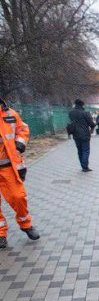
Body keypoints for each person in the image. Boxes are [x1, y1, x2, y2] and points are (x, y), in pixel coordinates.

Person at [0, 95, 40, 249]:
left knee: (18, 197)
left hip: (9, 167)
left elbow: (22, 128)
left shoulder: (9, 114)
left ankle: (26, 224)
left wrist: (19, 146)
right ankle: (1, 234)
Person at [68, 99, 94, 171]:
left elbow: (70, 122)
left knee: (79, 150)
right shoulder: (85, 113)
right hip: (85, 134)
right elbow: (91, 123)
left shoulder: (71, 113)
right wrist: (92, 129)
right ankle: (85, 166)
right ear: (82, 105)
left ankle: (83, 166)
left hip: (75, 134)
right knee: (85, 150)